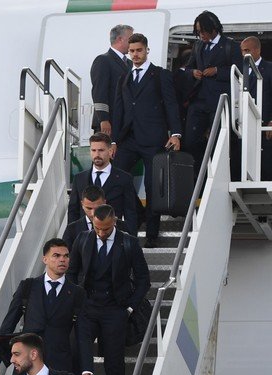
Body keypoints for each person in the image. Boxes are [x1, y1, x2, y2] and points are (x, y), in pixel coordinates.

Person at [66, 204, 149, 375]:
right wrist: (76, 299)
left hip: (115, 310)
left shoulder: (129, 243)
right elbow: (72, 271)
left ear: (114, 222)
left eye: (106, 229)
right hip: (87, 308)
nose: (101, 233)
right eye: (97, 228)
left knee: (114, 365)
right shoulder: (83, 239)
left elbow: (144, 279)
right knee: (79, 359)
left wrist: (129, 308)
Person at [0, 238, 93, 375]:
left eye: (66, 256)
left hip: (59, 365)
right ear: (45, 259)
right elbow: (8, 324)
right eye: (56, 255)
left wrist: (86, 371)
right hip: (26, 363)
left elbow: (83, 335)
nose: (62, 259)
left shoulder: (77, 293)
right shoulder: (28, 287)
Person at [111, 33, 182, 248]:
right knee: (115, 176)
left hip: (154, 139)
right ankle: (139, 212)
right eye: (131, 51)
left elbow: (171, 105)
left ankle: (152, 234)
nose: (135, 54)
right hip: (128, 139)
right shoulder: (124, 78)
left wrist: (176, 133)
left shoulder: (160, 75)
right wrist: (114, 141)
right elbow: (119, 110)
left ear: (147, 50)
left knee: (153, 187)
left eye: (139, 50)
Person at [184, 10, 242, 177]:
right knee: (190, 141)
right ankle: (199, 176)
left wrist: (217, 71)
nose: (201, 35)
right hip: (199, 101)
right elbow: (187, 68)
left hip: (220, 102)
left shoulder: (231, 46)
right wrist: (193, 72)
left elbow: (239, 73)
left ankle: (216, 177)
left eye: (203, 31)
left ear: (214, 28)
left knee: (218, 142)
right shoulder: (198, 46)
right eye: (198, 32)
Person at [68, 132, 138, 235]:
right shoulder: (79, 179)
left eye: (101, 150)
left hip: (113, 236)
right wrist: (72, 237)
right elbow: (73, 211)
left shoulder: (124, 179)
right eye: (93, 150)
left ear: (110, 151)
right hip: (84, 237)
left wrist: (132, 238)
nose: (97, 154)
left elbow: (131, 213)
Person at [91, 24, 134, 134]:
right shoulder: (103, 60)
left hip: (124, 122)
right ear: (120, 39)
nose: (133, 43)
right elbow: (99, 91)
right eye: (131, 39)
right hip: (109, 122)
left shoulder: (130, 64)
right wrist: (103, 119)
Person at [240, 36, 272, 180]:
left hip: (265, 126)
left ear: (258, 50)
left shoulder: (270, 68)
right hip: (244, 126)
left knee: (266, 165)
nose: (244, 54)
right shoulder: (239, 70)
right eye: (242, 51)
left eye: (247, 50)